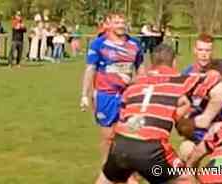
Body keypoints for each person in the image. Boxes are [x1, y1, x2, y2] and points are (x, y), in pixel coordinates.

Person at [95, 44, 198, 184]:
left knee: (107, 178)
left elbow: (123, 115)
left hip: (120, 143)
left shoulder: (134, 84)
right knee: (185, 178)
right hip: (151, 148)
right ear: (174, 62)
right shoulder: (179, 81)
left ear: (151, 63)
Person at [79, 12, 143, 160]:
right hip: (105, 95)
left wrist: (137, 84)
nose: (121, 25)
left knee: (132, 135)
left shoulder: (134, 44)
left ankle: (128, 172)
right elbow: (90, 69)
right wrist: (85, 95)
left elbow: (141, 69)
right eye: (116, 22)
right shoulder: (99, 44)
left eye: (122, 22)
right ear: (108, 24)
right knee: (108, 136)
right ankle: (106, 170)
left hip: (129, 95)